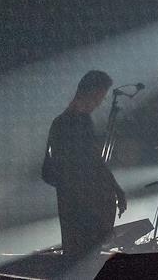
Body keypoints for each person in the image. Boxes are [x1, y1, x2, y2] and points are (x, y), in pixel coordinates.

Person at [43, 70, 126, 262]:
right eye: (98, 97)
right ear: (88, 92)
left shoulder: (69, 122)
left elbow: (49, 170)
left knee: (81, 258)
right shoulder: (71, 123)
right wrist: (112, 189)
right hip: (81, 204)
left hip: (78, 202)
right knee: (83, 258)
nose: (99, 103)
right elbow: (91, 162)